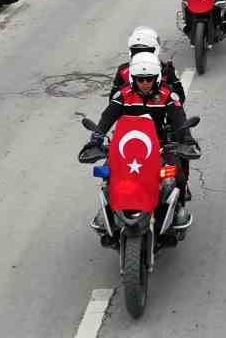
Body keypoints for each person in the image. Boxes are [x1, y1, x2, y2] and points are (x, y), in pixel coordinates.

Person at [83, 52, 194, 230]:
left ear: (156, 78)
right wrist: (96, 138)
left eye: (149, 79)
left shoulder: (167, 95)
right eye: (140, 79)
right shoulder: (123, 95)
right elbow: (107, 117)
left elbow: (179, 118)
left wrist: (186, 138)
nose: (144, 83)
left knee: (177, 175)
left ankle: (177, 210)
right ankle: (108, 212)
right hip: (125, 150)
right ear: (133, 79)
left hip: (159, 147)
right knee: (107, 175)